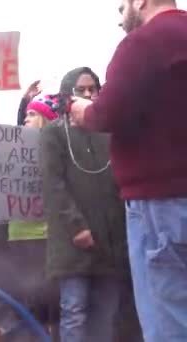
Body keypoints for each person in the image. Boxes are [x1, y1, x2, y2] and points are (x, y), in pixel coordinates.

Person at [69, 1, 187, 340]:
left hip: (160, 207)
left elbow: (108, 112)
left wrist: (84, 110)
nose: (122, 19)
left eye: (123, 8)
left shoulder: (142, 43)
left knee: (169, 323)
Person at [41, 67, 136, 342]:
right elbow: (53, 186)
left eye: (92, 89)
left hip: (110, 241)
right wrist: (76, 227)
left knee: (107, 312)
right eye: (80, 90)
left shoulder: (109, 133)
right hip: (74, 242)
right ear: (66, 94)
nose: (87, 94)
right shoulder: (54, 134)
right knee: (75, 310)